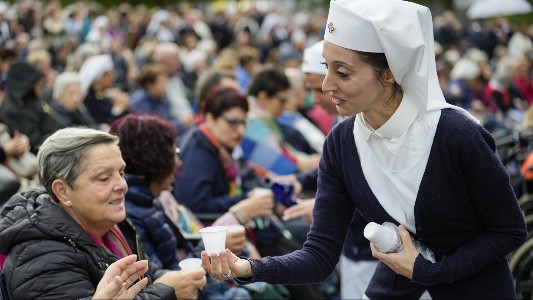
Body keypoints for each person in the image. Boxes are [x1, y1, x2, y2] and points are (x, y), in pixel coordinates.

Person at [201, 0, 527, 298]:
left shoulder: (455, 134)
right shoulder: (342, 144)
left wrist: (434, 271)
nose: (327, 85)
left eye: (342, 72)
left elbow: (508, 230)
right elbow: (319, 256)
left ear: (389, 73)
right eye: (326, 67)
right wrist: (248, 268)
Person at [0, 127, 206, 299]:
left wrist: (178, 279)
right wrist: (168, 292)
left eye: (121, 173)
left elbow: (146, 276)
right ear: (63, 191)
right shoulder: (41, 257)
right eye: (104, 177)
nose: (122, 185)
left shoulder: (112, 224)